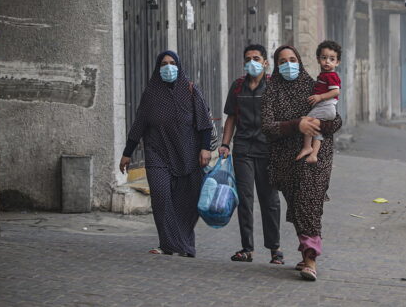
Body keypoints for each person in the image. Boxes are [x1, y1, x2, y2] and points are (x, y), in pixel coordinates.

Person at [119, 51, 212, 257]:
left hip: (188, 154)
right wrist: (127, 153)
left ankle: (183, 244)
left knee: (186, 202)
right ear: (157, 68)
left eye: (172, 63)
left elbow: (205, 123)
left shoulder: (190, 91)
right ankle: (169, 244)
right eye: (163, 64)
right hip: (157, 153)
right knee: (161, 196)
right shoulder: (150, 94)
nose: (168, 67)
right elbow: (138, 125)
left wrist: (206, 148)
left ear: (179, 66)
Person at [261, 45, 342, 282]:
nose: (288, 64)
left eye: (293, 59)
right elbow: (266, 126)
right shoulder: (271, 92)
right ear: (276, 66)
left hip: (317, 156)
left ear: (300, 61)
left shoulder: (314, 85)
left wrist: (315, 126)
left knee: (309, 202)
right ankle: (307, 248)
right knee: (297, 206)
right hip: (286, 159)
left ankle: (310, 260)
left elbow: (336, 119)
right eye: (283, 61)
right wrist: (296, 125)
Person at [219, 44, 283, 265]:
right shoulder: (237, 87)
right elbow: (231, 119)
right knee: (244, 199)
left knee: (270, 200)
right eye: (248, 59)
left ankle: (275, 249)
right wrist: (225, 144)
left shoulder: (275, 86)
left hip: (268, 150)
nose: (252, 62)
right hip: (244, 150)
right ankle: (247, 248)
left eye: (257, 58)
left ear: (266, 62)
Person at [296, 40, 342, 163]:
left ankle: (307, 147)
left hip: (326, 106)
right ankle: (314, 154)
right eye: (324, 58)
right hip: (325, 107)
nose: (327, 61)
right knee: (316, 129)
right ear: (318, 59)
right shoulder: (324, 75)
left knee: (307, 120)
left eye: (332, 59)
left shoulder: (331, 76)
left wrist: (320, 97)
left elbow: (336, 92)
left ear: (337, 62)